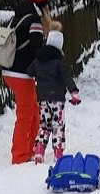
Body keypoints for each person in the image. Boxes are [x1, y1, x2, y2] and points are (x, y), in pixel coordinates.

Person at [2, 0, 54, 164]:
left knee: (33, 110)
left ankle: (31, 147)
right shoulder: (34, 20)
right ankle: (19, 155)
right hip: (20, 73)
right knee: (25, 113)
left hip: (11, 70)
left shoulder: (19, 14)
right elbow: (36, 49)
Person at [27, 29, 81, 164]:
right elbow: (66, 77)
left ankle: (39, 151)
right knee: (58, 125)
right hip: (57, 99)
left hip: (42, 99)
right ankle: (58, 153)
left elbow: (29, 71)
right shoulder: (59, 60)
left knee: (44, 125)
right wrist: (73, 92)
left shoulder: (38, 59)